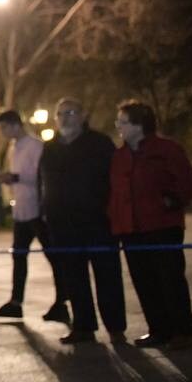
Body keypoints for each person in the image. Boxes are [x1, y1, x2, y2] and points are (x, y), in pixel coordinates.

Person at [109, 101, 192, 350]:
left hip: (162, 225)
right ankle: (158, 329)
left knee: (170, 279)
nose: (118, 126)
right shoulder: (119, 156)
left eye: (123, 122)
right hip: (130, 229)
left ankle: (183, 331)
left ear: (139, 125)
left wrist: (171, 200)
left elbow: (187, 181)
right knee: (144, 280)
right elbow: (115, 192)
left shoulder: (166, 149)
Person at [40, 98, 125, 345]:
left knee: (107, 275)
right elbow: (43, 181)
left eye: (71, 112)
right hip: (63, 224)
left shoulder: (99, 144)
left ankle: (115, 327)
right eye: (60, 114)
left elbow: (113, 181)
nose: (65, 118)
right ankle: (83, 326)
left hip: (97, 221)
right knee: (74, 276)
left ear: (82, 115)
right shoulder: (50, 147)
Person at [0, 110, 68, 323]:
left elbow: (39, 175)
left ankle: (63, 301)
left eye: (4, 128)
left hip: (37, 211)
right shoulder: (15, 147)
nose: (2, 133)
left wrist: (12, 177)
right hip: (21, 211)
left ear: (15, 125)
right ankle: (16, 302)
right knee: (19, 256)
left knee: (53, 257)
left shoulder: (35, 145)